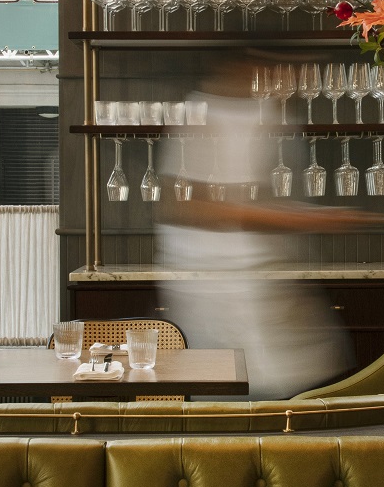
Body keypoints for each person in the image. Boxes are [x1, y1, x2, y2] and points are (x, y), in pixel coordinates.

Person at [156, 56, 367, 399]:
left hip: (268, 277)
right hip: (214, 280)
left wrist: (304, 218)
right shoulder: (202, 113)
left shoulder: (269, 114)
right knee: (232, 395)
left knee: (296, 387)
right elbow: (189, 205)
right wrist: (304, 219)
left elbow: (266, 194)